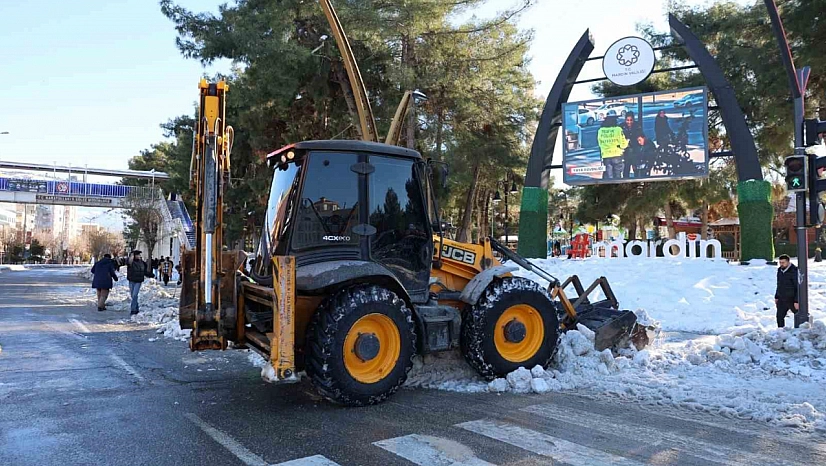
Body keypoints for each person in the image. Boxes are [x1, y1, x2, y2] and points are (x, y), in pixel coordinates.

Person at [775, 254, 799, 328]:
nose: (781, 264)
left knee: (798, 315)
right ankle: (781, 332)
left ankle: (799, 331)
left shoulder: (794, 271)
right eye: (780, 262)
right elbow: (779, 284)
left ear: (788, 262)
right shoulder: (780, 270)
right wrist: (777, 296)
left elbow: (798, 286)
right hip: (782, 297)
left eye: (783, 262)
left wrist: (797, 301)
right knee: (779, 316)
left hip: (792, 298)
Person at [126, 250, 153, 315]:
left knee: (135, 295)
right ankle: (136, 308)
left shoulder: (143, 263)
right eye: (137, 255)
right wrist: (131, 255)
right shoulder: (130, 262)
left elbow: (145, 272)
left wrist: (150, 275)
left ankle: (133, 310)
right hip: (131, 280)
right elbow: (128, 262)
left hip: (138, 281)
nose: (139, 256)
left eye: (139, 255)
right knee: (133, 296)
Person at [620, 112, 644, 178]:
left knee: (636, 167)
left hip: (635, 150)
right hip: (626, 151)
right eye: (627, 120)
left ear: (633, 120)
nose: (629, 122)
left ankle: (637, 180)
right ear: (625, 120)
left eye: (631, 120)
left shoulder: (637, 126)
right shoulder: (621, 126)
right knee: (626, 167)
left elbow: (641, 136)